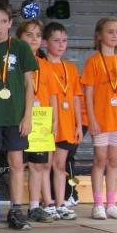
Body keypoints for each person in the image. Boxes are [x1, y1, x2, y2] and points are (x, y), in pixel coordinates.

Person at [0, 0, 37, 231]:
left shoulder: (21, 48)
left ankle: (16, 210)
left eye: (3, 21)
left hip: (15, 116)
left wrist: (27, 116)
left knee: (17, 163)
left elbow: (29, 85)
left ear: (11, 23)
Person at [82, 17, 117, 220]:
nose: (115, 35)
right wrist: (92, 119)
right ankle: (98, 204)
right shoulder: (93, 62)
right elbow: (88, 92)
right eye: (110, 31)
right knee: (100, 159)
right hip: (101, 120)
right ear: (99, 35)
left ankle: (112, 204)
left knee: (113, 161)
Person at [17, 19, 58, 223]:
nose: (34, 39)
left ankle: (34, 206)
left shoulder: (46, 66)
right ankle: (15, 207)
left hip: (41, 121)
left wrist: (54, 122)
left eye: (38, 35)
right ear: (19, 37)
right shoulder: (14, 64)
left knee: (38, 166)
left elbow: (53, 95)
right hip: (20, 120)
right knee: (18, 164)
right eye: (29, 35)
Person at [43, 21, 82, 220]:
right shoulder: (41, 66)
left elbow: (75, 97)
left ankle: (61, 203)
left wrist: (78, 124)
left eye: (64, 40)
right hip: (47, 121)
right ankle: (47, 203)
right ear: (45, 42)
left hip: (66, 123)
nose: (61, 45)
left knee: (60, 165)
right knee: (45, 165)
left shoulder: (71, 68)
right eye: (56, 40)